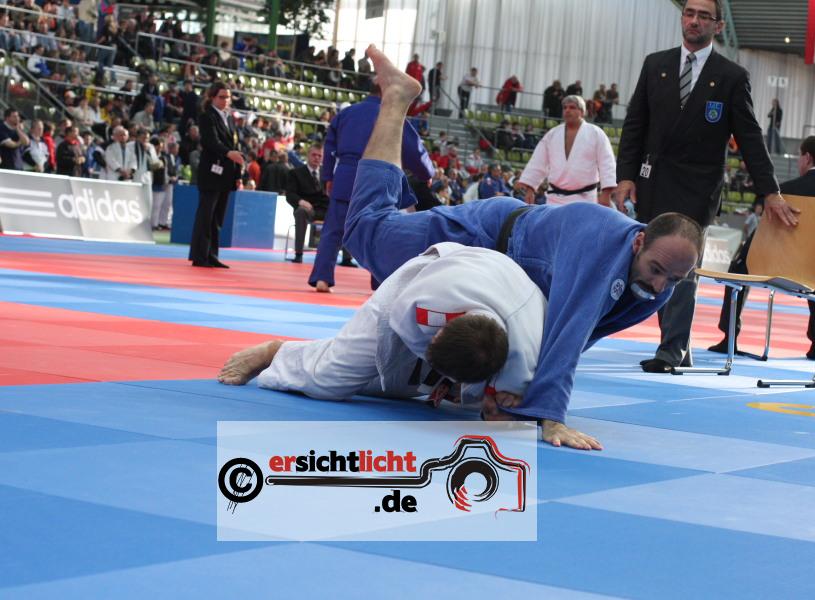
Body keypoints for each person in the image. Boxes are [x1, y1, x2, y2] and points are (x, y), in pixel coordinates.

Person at [341, 45, 702, 430]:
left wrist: (518, 389)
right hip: (486, 233)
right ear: (638, 241)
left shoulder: (656, 289)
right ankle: (396, 99)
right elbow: (569, 330)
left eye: (674, 280)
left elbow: (580, 336)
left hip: (508, 276)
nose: (660, 285)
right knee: (366, 233)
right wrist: (549, 414)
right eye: (657, 270)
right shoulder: (600, 246)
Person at [218, 242, 598, 448]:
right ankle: (277, 352)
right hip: (424, 274)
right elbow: (403, 335)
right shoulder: (420, 304)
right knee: (332, 380)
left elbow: (555, 379)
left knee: (410, 390)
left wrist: (547, 419)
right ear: (440, 334)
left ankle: (460, 388)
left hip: (497, 293)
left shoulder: (529, 357)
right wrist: (447, 382)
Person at [613, 0, 796, 374]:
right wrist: (626, 176)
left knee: (681, 265)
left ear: (718, 26)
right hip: (654, 181)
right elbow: (635, 125)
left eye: (703, 16)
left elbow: (750, 137)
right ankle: (678, 345)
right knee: (655, 263)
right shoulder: (656, 65)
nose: (694, 21)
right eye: (689, 13)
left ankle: (672, 349)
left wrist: (770, 191)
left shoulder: (731, 76)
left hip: (697, 189)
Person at [708, 135, 815, 359]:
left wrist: (743, 257)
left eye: (799, 156)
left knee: (739, 267)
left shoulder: (784, 192)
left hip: (785, 268)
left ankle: (729, 337)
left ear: (807, 158)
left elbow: (763, 237)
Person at [309, 84, 433, 293]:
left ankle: (322, 277)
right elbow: (414, 149)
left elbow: (329, 147)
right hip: (377, 178)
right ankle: (379, 281)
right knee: (380, 231)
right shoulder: (391, 115)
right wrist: (426, 173)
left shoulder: (346, 113)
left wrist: (328, 176)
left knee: (333, 230)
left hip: (345, 176)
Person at [517, 95, 617, 206]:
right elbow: (538, 161)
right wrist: (530, 188)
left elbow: (607, 163)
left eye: (572, 107)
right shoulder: (552, 134)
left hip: (585, 198)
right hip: (555, 198)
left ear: (582, 112)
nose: (567, 110)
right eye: (565, 108)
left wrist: (606, 193)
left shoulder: (596, 133)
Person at [189, 81, 244, 269]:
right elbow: (210, 142)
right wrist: (229, 153)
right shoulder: (207, 117)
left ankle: (212, 255)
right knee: (206, 216)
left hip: (226, 174)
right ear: (212, 98)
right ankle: (200, 256)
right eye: (221, 97)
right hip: (211, 173)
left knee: (217, 218)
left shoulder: (229, 118)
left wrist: (238, 175)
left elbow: (235, 146)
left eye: (228, 97)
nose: (225, 100)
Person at [284, 143, 330, 262]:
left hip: (326, 209)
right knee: (301, 212)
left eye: (319, 156)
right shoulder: (296, 173)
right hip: (308, 209)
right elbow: (290, 194)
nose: (317, 158)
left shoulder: (328, 174)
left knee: (343, 212)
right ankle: (298, 254)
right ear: (308, 155)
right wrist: (301, 201)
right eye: (314, 155)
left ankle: (347, 258)